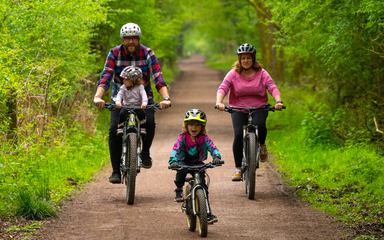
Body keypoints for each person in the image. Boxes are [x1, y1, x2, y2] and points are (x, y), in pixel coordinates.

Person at [94, 22, 171, 184]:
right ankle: (115, 170)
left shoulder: (147, 53)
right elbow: (106, 76)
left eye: (134, 38)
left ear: (138, 39)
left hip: (144, 98)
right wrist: (98, 97)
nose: (131, 42)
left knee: (149, 122)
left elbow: (158, 76)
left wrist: (166, 98)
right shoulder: (114, 53)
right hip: (120, 99)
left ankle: (145, 153)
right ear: (122, 39)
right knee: (114, 129)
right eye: (128, 39)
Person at [216, 43, 284, 181]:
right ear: (239, 60)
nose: (246, 60)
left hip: (259, 106)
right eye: (243, 58)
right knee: (238, 135)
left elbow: (271, 86)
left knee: (261, 126)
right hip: (238, 108)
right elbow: (223, 87)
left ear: (253, 59)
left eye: (248, 58)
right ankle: (238, 168)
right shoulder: (233, 73)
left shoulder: (262, 73)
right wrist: (219, 102)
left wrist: (278, 101)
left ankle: (262, 145)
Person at [169, 109, 222, 224]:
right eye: (191, 124)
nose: (194, 127)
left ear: (202, 127)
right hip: (184, 161)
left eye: (198, 125)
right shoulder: (183, 137)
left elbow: (212, 147)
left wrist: (216, 157)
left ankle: (208, 213)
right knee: (181, 172)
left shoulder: (204, 138)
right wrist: (173, 161)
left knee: (203, 186)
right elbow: (176, 149)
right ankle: (178, 189)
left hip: (198, 163)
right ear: (186, 126)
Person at [115, 66, 147, 135]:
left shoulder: (140, 87)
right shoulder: (123, 87)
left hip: (137, 106)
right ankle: (120, 126)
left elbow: (144, 95)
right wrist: (118, 102)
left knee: (142, 114)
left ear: (133, 80)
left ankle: (142, 127)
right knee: (122, 114)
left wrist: (144, 103)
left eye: (125, 79)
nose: (123, 81)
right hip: (127, 106)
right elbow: (119, 95)